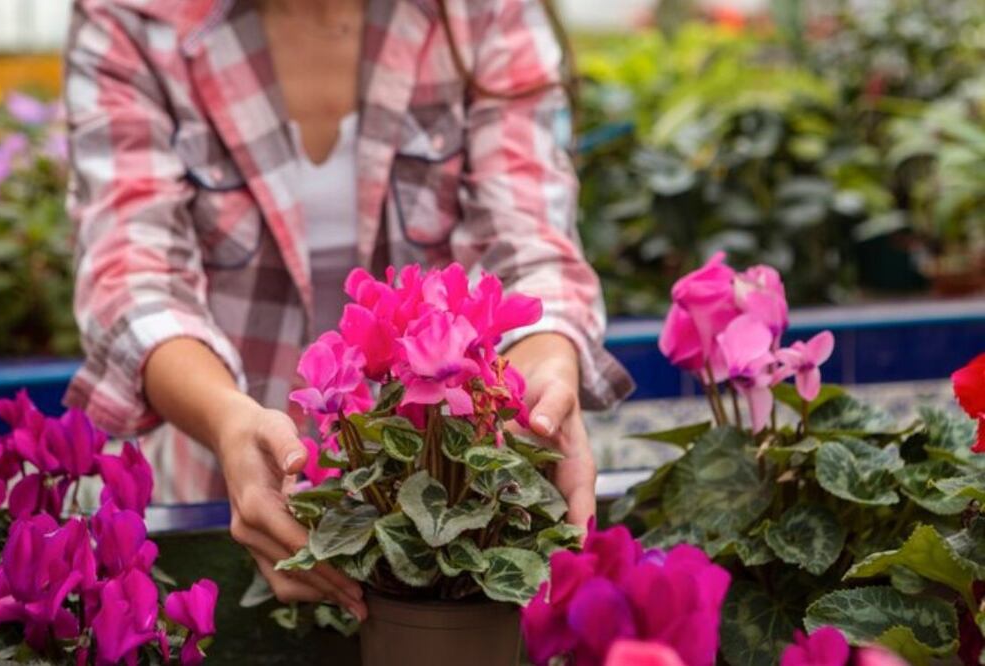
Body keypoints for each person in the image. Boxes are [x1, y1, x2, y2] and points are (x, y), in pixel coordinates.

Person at [64, 0, 633, 620]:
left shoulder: (482, 13)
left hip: (448, 515)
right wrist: (228, 421)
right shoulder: (135, 18)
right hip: (226, 497)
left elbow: (530, 241)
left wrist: (545, 376)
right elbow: (133, 273)